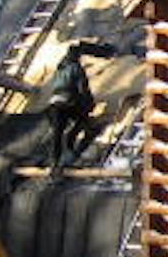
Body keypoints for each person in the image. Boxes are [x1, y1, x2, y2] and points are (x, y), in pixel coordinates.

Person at [47, 40, 116, 168]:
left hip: (53, 105)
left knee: (57, 134)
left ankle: (54, 162)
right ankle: (73, 142)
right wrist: (90, 104)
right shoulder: (76, 68)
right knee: (82, 119)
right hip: (67, 104)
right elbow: (83, 89)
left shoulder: (60, 68)